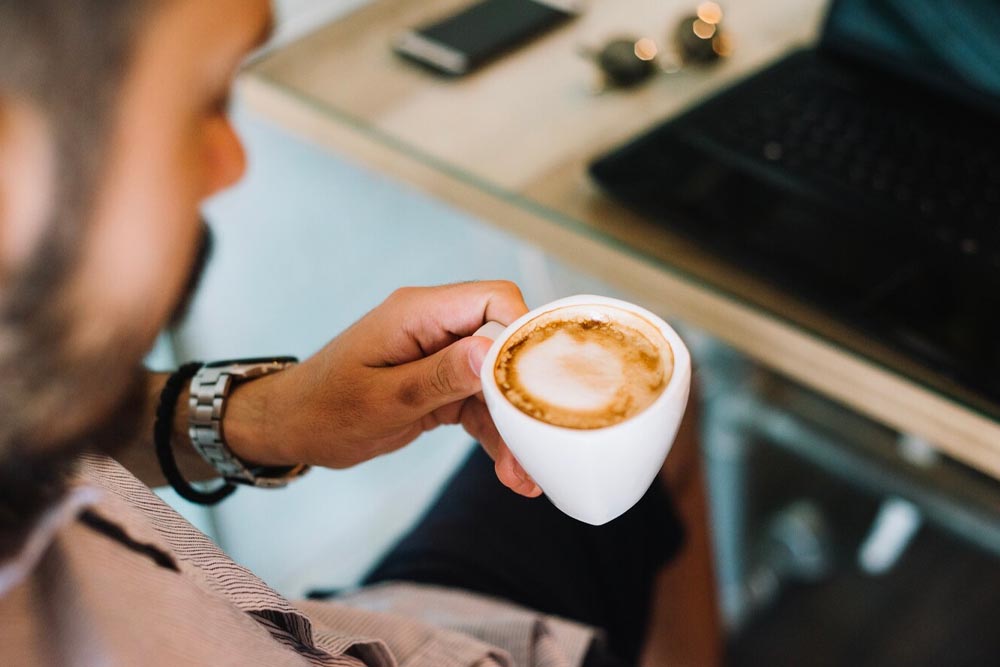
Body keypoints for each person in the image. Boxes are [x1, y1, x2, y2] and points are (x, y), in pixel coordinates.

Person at [0, 1, 721, 665]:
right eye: (203, 101)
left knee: (667, 407)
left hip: (346, 633)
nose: (231, 164)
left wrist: (264, 416)